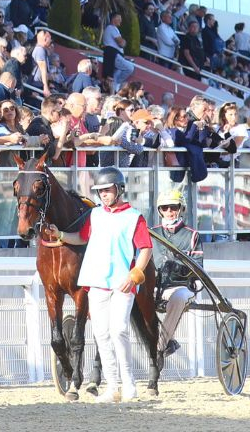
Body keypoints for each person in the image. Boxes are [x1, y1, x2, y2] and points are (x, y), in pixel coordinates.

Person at [74, 167, 151, 403]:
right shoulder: (95, 215)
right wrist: (59, 236)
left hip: (122, 283)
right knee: (101, 334)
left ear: (119, 189)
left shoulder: (134, 216)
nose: (104, 195)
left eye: (107, 190)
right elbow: (81, 238)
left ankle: (129, 385)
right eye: (101, 191)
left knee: (119, 330)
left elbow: (145, 247)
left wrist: (136, 272)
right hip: (96, 282)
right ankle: (112, 387)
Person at [148, 185, 206, 356]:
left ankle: (160, 346)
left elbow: (198, 265)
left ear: (181, 209)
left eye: (173, 207)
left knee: (178, 297)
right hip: (156, 286)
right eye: (165, 208)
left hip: (182, 287)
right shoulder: (152, 233)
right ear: (160, 211)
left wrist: (180, 269)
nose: (169, 211)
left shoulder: (192, 235)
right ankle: (166, 341)